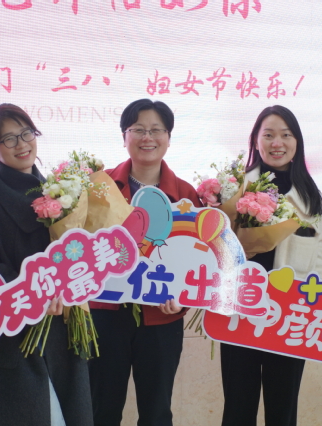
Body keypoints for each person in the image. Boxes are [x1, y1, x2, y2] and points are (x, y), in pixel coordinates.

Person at [0, 103, 92, 426]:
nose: (22, 144)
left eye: (26, 133)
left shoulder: (63, 195)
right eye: (9, 139)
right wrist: (35, 293)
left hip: (62, 330)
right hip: (10, 336)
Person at [220, 105, 322, 426]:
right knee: (237, 409)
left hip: (289, 318)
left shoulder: (312, 198)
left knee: (283, 410)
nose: (278, 143)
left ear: (297, 142)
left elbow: (321, 259)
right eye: (269, 135)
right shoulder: (235, 188)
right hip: (239, 313)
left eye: (286, 135)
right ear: (255, 141)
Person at [88, 98, 202, 426]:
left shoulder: (186, 194)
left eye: (156, 130)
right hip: (105, 314)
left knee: (156, 413)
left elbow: (196, 260)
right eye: (138, 129)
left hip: (161, 319)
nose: (147, 137)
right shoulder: (100, 187)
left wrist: (182, 300)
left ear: (168, 137)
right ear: (124, 136)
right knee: (101, 409)